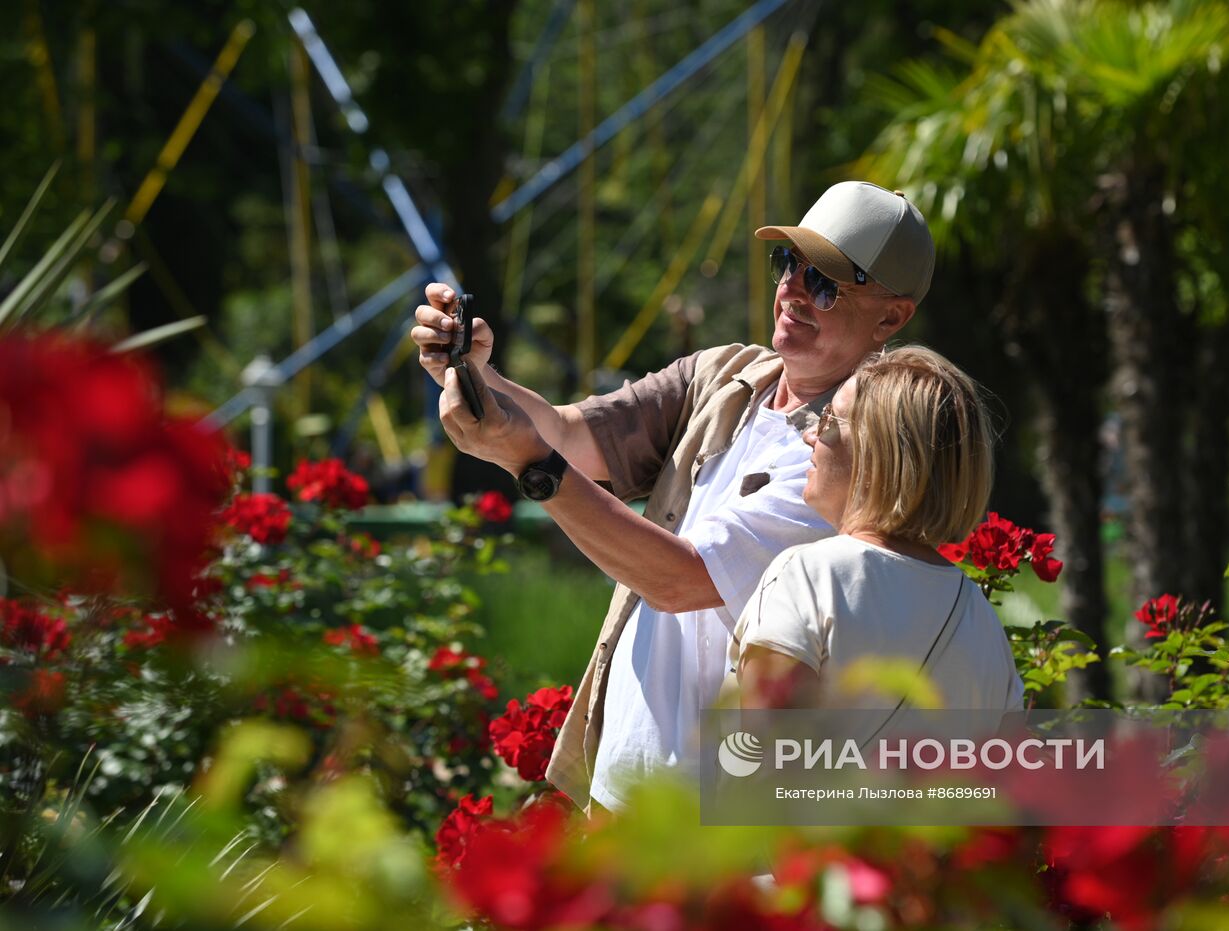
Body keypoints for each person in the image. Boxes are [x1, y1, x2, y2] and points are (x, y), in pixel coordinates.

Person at [413, 181, 936, 812]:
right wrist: (473, 371)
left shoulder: (851, 454)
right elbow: (570, 433)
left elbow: (681, 579)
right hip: (620, 796)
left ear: (892, 317)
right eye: (789, 263)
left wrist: (530, 462)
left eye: (827, 281)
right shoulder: (724, 376)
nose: (794, 289)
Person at [730, 346, 1024, 728]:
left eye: (829, 419)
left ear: (878, 451)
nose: (810, 435)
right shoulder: (983, 621)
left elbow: (761, 759)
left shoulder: (808, 576)